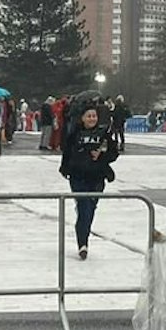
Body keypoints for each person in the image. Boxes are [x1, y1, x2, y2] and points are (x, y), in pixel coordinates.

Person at [60, 101, 119, 259]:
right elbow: (67, 152)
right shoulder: (74, 134)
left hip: (97, 176)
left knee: (90, 209)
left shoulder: (104, 134)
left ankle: (83, 234)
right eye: (89, 116)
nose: (92, 119)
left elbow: (113, 153)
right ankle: (83, 243)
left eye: (94, 116)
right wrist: (64, 168)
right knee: (84, 206)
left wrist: (102, 156)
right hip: (78, 176)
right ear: (83, 118)